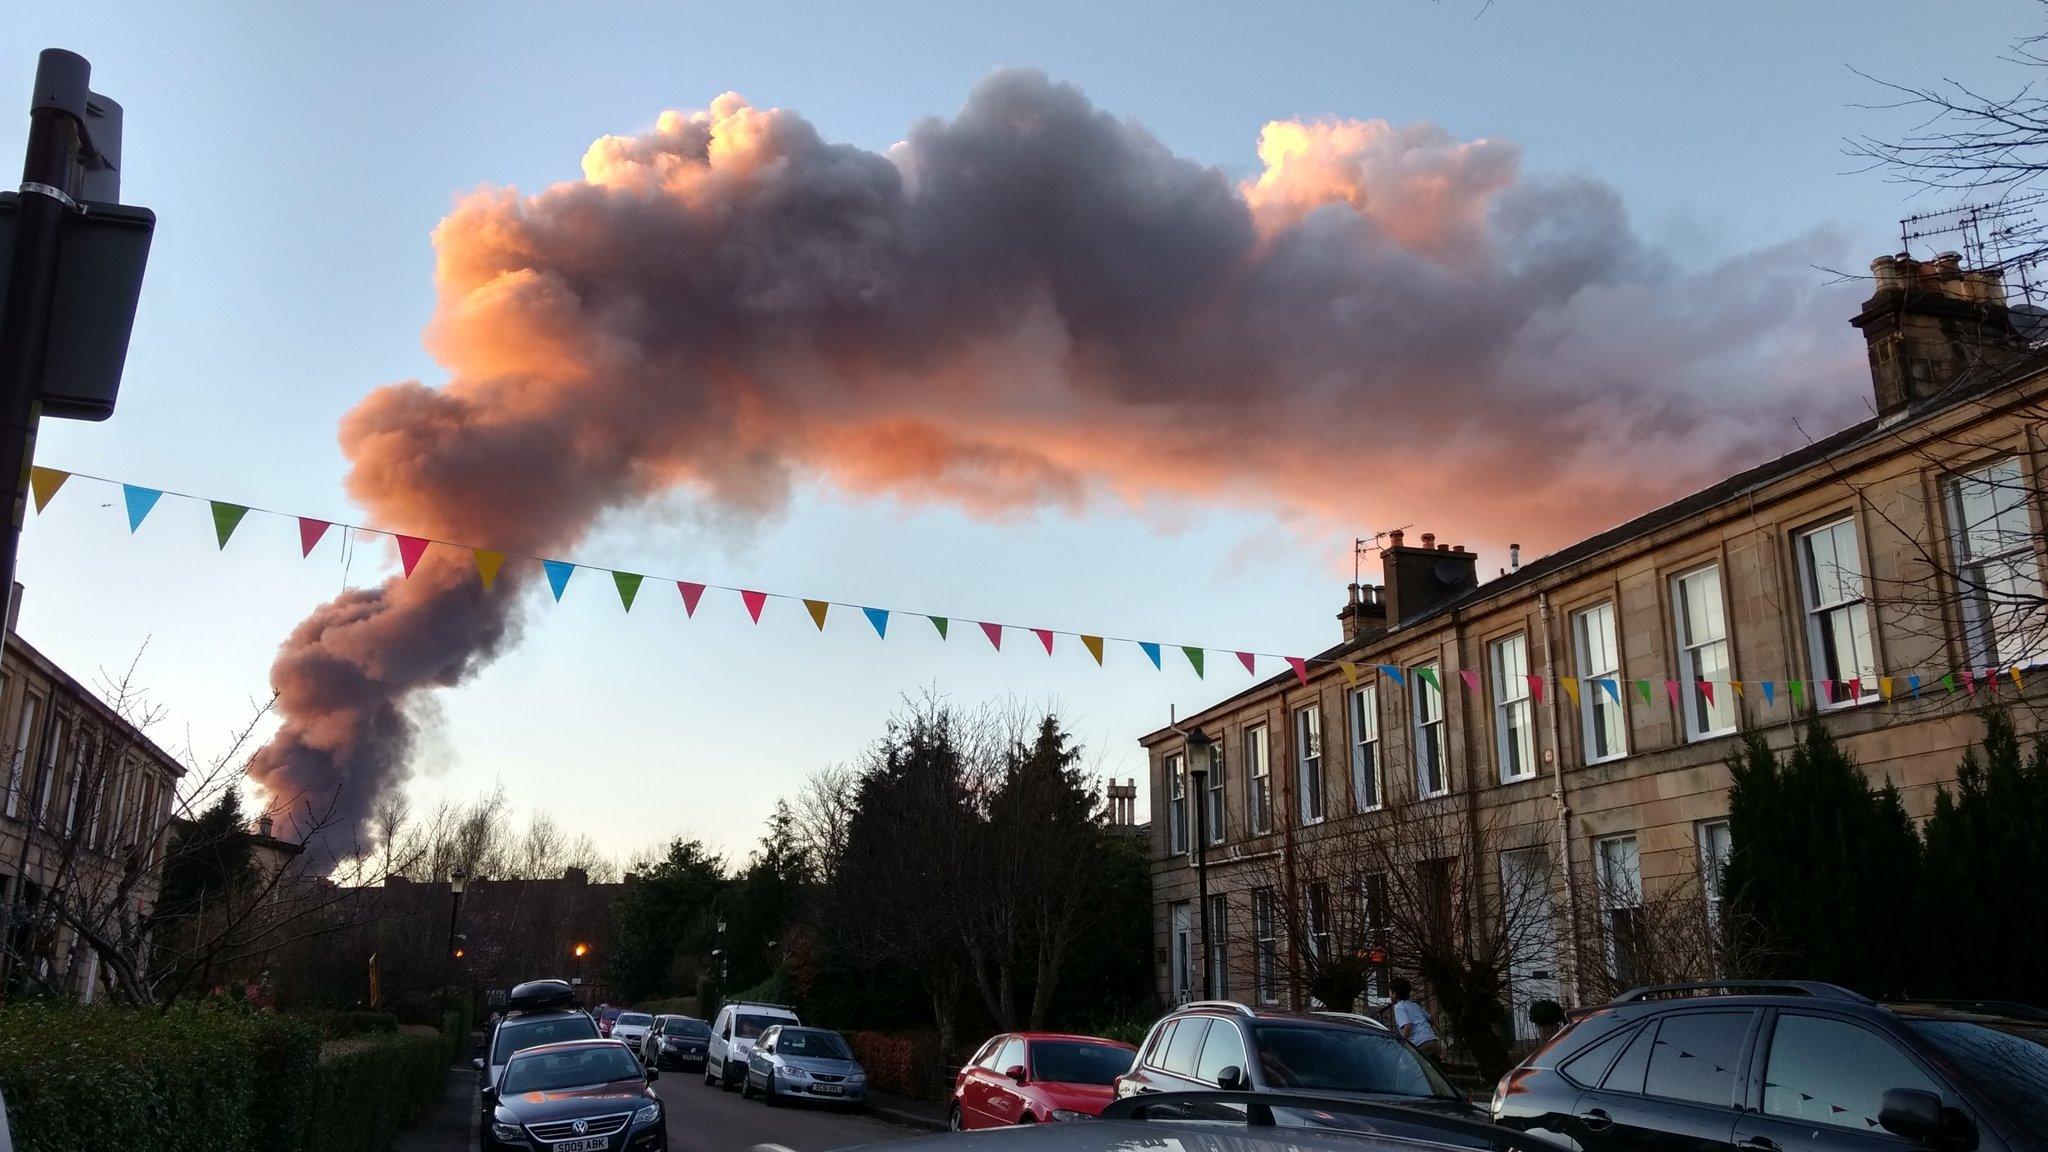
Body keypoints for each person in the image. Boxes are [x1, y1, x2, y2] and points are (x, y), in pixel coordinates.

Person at [1389, 977, 1446, 1068]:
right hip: (1432, 1041)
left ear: (1394, 994)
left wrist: (1403, 1045)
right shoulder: (1414, 1005)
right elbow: (1431, 1018)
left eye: (1390, 992)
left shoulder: (1398, 1007)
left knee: (1408, 1068)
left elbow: (1407, 1026)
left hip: (1420, 1044)